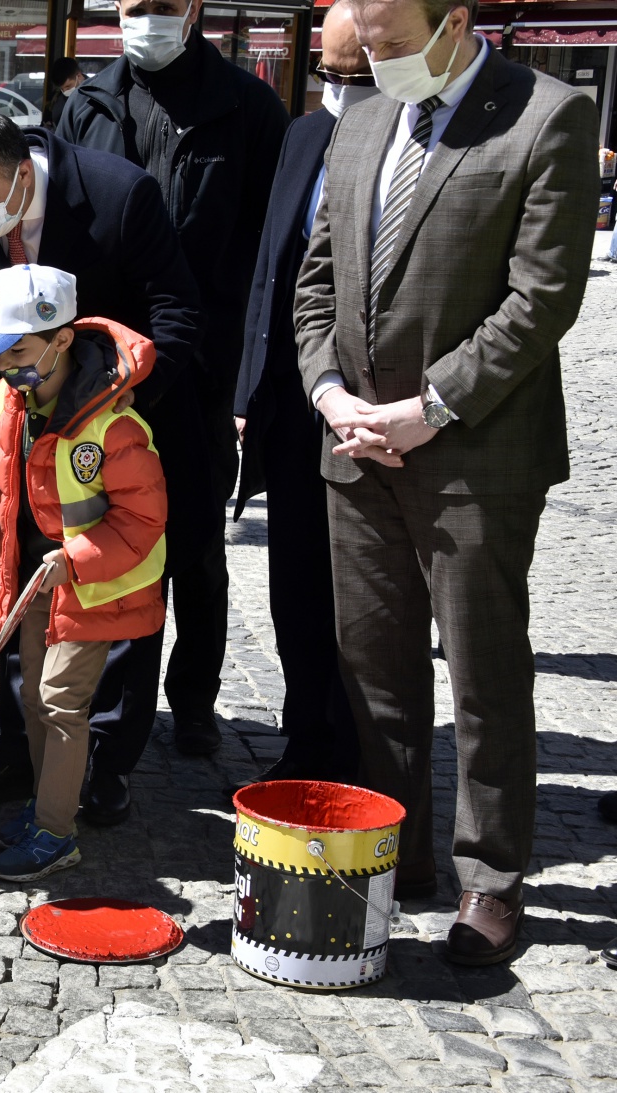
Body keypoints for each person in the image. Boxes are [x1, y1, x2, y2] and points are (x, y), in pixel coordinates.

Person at [294, 0, 597, 964]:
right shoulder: (364, 121)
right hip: (357, 447)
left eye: (388, 44)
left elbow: (542, 297)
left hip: (474, 455)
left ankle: (491, 879)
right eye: (363, 45)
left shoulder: (545, 115)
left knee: (483, 671)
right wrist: (330, 393)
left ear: (454, 22)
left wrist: (431, 407)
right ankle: (398, 851)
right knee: (373, 667)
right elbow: (317, 279)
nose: (372, 62)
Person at [0, 112, 201, 823]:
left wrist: (114, 400)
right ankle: (20, 755)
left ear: (23, 176)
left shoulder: (120, 195)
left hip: (107, 427)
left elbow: (176, 310)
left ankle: (103, 763)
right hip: (21, 429)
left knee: (108, 613)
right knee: (22, 594)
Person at [58, 0, 288, 759]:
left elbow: (271, 246)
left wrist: (247, 369)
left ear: (192, 9)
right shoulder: (88, 103)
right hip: (104, 367)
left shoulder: (248, 107)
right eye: (135, 6)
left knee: (195, 543)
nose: (147, 18)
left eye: (163, 5)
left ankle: (193, 699)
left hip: (203, 364)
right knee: (107, 530)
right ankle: (111, 701)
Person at [0, 265, 166, 881]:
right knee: (34, 697)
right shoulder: (13, 404)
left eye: (18, 350)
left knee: (60, 703)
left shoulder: (113, 425)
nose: (4, 366)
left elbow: (141, 519)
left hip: (93, 589)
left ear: (61, 340)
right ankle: (44, 806)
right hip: (33, 580)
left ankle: (57, 831)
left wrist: (76, 559)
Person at [232, 4, 376, 785]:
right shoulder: (304, 134)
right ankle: (305, 740)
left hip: (374, 408)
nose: (341, 90)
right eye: (329, 74)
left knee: (361, 594)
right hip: (291, 402)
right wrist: (248, 389)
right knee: (295, 584)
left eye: (360, 77)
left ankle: (359, 753)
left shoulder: (414, 142)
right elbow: (269, 267)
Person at [47, 57, 83, 127]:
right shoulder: (55, 97)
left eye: (68, 87)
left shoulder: (95, 95)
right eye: (61, 88)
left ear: (78, 76)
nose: (65, 91)